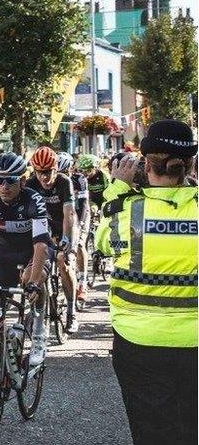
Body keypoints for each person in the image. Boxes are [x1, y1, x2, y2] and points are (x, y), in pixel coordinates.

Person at [94, 119, 198, 444]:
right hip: (194, 342)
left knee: (151, 432)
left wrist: (117, 187)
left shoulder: (127, 212)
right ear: (190, 163)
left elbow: (101, 242)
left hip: (137, 341)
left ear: (145, 163)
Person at [0, 152, 51, 410]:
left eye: (11, 180)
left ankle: (39, 331)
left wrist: (34, 282)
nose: (4, 186)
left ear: (23, 180)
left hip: (33, 252)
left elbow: (41, 245)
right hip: (5, 256)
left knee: (32, 279)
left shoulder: (33, 200)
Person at [26, 146, 79, 333]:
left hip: (66, 224)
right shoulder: (31, 183)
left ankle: (71, 312)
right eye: (39, 172)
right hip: (45, 227)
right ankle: (35, 309)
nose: (43, 177)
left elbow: (69, 214)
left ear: (56, 169)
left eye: (47, 172)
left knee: (63, 261)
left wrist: (66, 239)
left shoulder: (64, 182)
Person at [59, 152, 90, 306]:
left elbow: (84, 204)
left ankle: (83, 282)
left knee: (79, 245)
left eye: (65, 172)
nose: (62, 175)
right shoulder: (56, 181)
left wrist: (82, 223)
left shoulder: (80, 180)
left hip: (79, 213)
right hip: (63, 216)